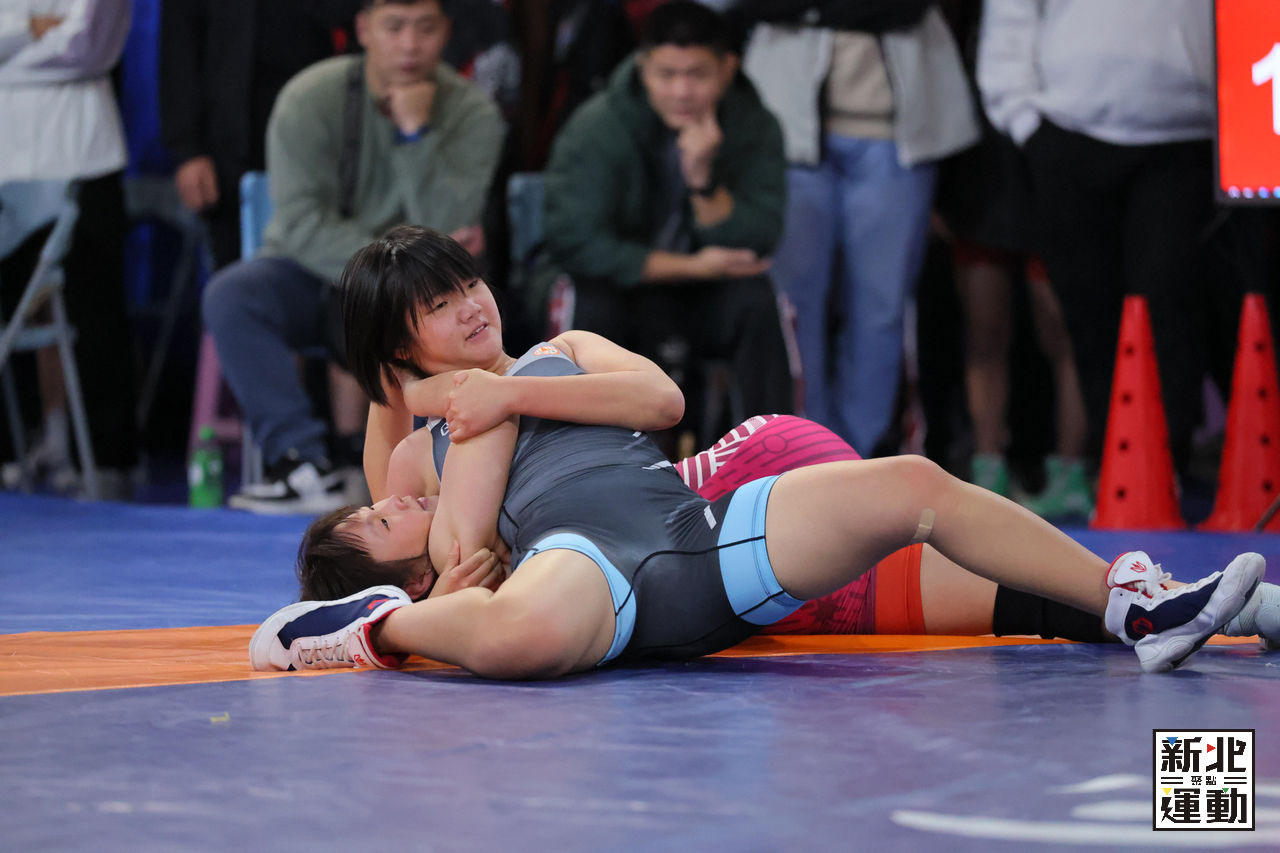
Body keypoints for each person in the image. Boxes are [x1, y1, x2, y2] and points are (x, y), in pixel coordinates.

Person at [249, 227, 1268, 678]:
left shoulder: (565, 350)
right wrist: (444, 405)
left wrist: (506, 388)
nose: (470, 305)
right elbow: (458, 545)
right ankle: (374, 630)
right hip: (587, 568)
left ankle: (1133, 603)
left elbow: (662, 399)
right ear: (401, 348)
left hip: (704, 536)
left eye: (466, 282)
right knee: (519, 638)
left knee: (913, 484)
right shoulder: (431, 449)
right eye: (438, 305)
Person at [201, 0, 505, 514]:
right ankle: (300, 463)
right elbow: (299, 222)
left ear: (447, 32)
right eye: (394, 27)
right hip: (318, 268)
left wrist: (414, 135)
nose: (409, 44)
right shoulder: (309, 97)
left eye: (425, 28)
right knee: (234, 294)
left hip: (418, 285)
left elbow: (447, 234)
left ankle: (429, 472)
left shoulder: (472, 112)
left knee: (444, 300)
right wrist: (378, 273)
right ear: (363, 29)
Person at [977, 0, 1216, 477]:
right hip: (1068, 131)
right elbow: (1010, 15)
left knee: (1170, 312)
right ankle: (1113, 477)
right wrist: (1021, 117)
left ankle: (1166, 473)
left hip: (1186, 131)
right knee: (1089, 322)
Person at [538, 0, 794, 442]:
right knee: (583, 303)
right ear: (643, 69)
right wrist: (693, 267)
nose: (681, 91)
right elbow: (576, 241)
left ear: (727, 69)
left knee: (758, 301)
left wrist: (702, 180)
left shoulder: (754, 124)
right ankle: (578, 454)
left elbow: (757, 240)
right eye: (666, 74)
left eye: (697, 74)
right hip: (622, 288)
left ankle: (768, 454)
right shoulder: (598, 126)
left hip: (702, 293)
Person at [737, 0, 978, 455]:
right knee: (794, 307)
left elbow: (904, 9)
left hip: (897, 140)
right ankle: (800, 451)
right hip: (789, 134)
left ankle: (859, 454)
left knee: (882, 308)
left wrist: (810, 10)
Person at [0, 0, 140, 498]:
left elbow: (88, 45)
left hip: (82, 149)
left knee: (94, 313)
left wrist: (11, 46)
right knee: (16, 312)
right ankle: (24, 446)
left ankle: (105, 459)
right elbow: (65, 41)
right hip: (7, 155)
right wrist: (36, 28)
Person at [159, 0, 362, 269]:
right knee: (236, 274)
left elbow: (364, 25)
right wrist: (187, 150)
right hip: (232, 151)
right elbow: (179, 50)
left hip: (328, 142)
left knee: (332, 264)